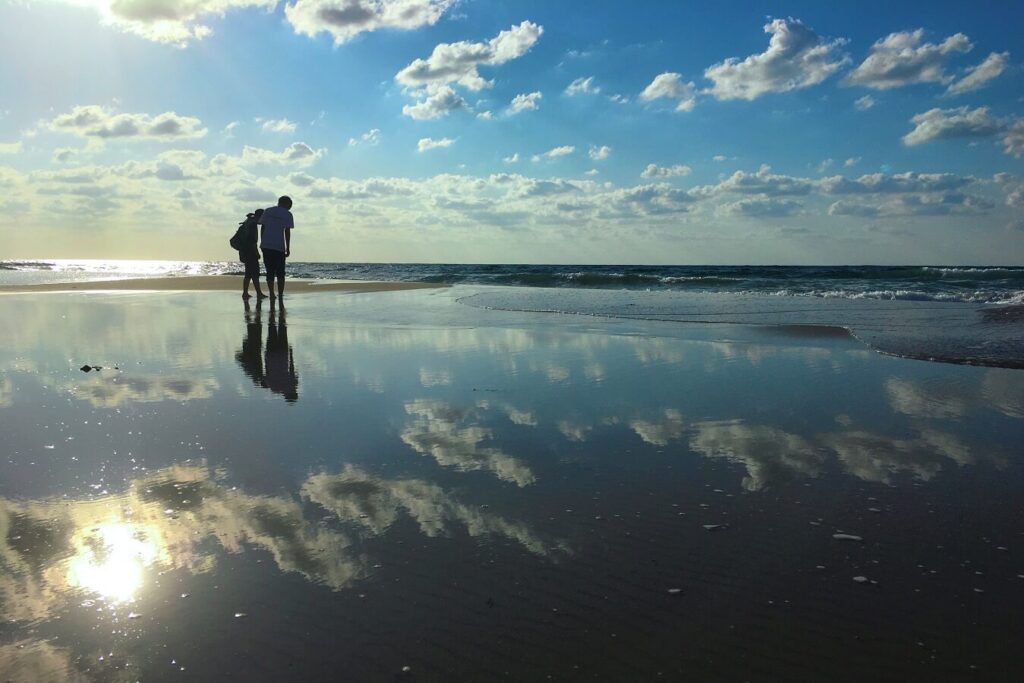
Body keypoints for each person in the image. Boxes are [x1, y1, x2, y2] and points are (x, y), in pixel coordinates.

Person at [259, 195, 294, 300]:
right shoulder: (288, 214)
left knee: (269, 270)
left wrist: (262, 242)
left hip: (266, 245)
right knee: (280, 272)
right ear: (287, 204)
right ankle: (280, 293)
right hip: (279, 246)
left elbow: (263, 227)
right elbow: (287, 232)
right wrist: (288, 247)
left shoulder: (268, 211)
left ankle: (271, 293)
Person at [238, 209, 267, 299]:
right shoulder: (253, 225)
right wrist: (256, 253)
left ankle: (248, 293)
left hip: (245, 251)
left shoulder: (249, 222)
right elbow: (252, 241)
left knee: (250, 273)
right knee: (253, 273)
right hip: (250, 252)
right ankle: (255, 293)